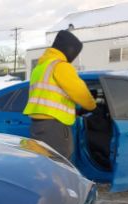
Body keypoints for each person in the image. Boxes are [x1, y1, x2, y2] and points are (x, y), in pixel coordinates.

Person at [23, 29, 97, 159]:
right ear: (70, 50)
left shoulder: (41, 67)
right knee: (60, 164)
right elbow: (81, 93)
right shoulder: (61, 66)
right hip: (54, 127)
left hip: (38, 125)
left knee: (44, 164)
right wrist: (92, 106)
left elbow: (51, 95)